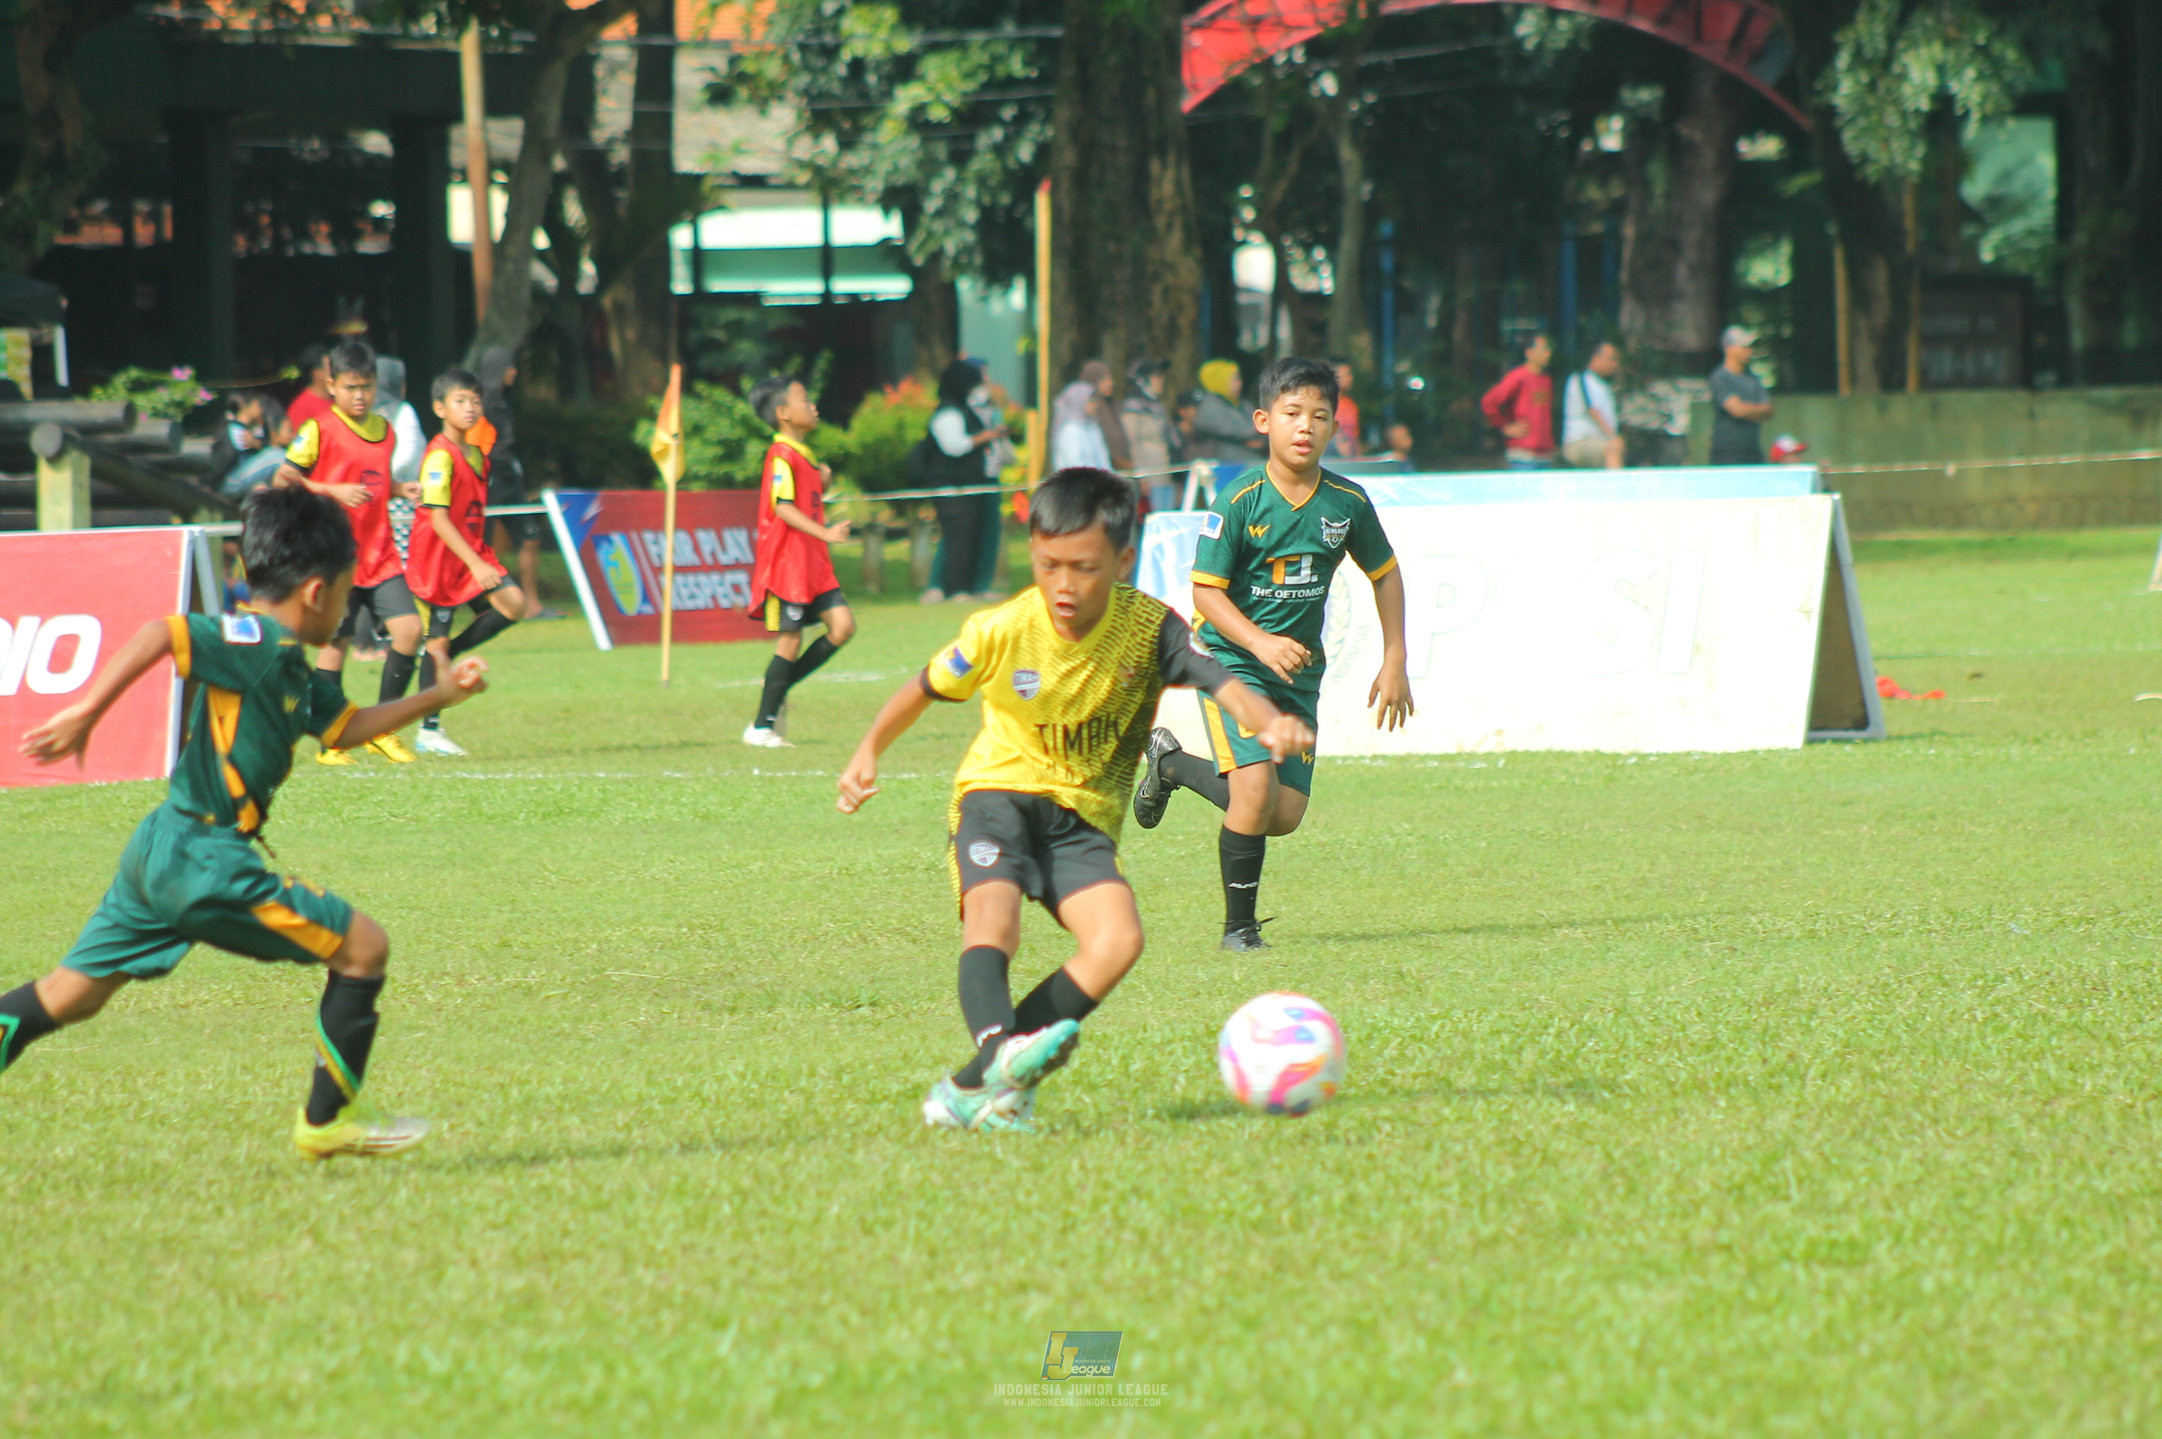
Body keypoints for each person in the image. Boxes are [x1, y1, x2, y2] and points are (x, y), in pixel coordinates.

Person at [5, 485, 490, 1158]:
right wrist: (86, 712)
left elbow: (344, 728)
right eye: (349, 595)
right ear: (318, 591)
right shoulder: (259, 639)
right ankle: (327, 1122)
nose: (351, 613)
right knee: (364, 948)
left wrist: (439, 695)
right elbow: (163, 633)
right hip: (204, 859)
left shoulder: (289, 660)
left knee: (68, 995)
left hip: (160, 848)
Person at [836, 467, 1312, 1132]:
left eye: (1083, 568)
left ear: (1122, 561)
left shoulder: (1151, 629)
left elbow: (1218, 680)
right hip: (996, 796)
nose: (1063, 584)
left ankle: (980, 1080)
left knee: (1118, 939)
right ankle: (999, 1061)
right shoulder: (1002, 627)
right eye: (1047, 564)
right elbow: (922, 686)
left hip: (1082, 819)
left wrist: (1267, 720)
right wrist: (867, 750)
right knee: (993, 923)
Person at [1129, 355, 1414, 952]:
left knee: (1282, 814)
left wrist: (1394, 659)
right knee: (1254, 789)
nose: (1305, 426)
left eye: (1319, 415)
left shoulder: (1347, 503)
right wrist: (1258, 641)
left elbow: (1384, 574)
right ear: (1263, 421)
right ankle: (1239, 930)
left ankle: (1172, 765)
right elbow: (1205, 590)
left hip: (1298, 675)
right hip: (1231, 662)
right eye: (1291, 414)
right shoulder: (1239, 500)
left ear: (1334, 427)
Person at [273, 338, 422, 766]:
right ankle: (332, 740)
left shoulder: (385, 432)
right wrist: (332, 489)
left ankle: (381, 729)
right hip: (335, 555)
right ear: (332, 385)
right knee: (334, 646)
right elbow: (286, 478)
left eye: (367, 387)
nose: (360, 396)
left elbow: (370, 484)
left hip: (380, 553)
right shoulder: (318, 429)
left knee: (409, 632)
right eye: (351, 387)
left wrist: (398, 489)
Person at [400, 368, 526, 758]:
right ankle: (429, 729)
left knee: (514, 604)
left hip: (469, 553)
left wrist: (476, 559)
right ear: (440, 408)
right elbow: (439, 519)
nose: (470, 408)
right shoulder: (439, 456)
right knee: (435, 645)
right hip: (439, 559)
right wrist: (475, 564)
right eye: (460, 401)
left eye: (475, 401)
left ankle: (445, 655)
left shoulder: (475, 455)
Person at [743, 373, 855, 748]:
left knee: (842, 627)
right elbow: (783, 507)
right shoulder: (781, 455)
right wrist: (826, 533)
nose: (813, 406)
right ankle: (761, 727)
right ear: (783, 413)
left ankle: (777, 684)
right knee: (789, 642)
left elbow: (804, 499)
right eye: (804, 400)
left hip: (814, 564)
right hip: (787, 565)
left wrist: (821, 483)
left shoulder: (804, 459)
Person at [476, 346, 552, 619]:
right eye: (509, 366)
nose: (514, 372)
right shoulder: (479, 404)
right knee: (482, 545)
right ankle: (483, 608)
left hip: (510, 477)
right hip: (488, 479)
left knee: (530, 536)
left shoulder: (506, 400)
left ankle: (532, 604)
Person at [923, 359, 1007, 604]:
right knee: (957, 538)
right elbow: (954, 447)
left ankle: (969, 587)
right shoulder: (948, 413)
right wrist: (987, 436)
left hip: (969, 486)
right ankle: (954, 589)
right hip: (951, 486)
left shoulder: (963, 410)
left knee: (971, 535)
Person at [1481, 332, 1556, 469]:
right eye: (1543, 349)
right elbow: (1489, 401)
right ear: (1529, 353)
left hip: (1544, 455)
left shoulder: (1546, 380)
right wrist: (1505, 426)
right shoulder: (1518, 377)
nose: (1547, 353)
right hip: (1523, 455)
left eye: (1548, 350)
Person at [1121, 359, 1182, 513]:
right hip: (1149, 478)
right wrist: (1140, 477)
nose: (1161, 381)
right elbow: (1131, 444)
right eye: (1157, 377)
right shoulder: (1133, 409)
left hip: (1165, 474)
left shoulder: (1159, 407)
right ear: (1142, 381)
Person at [1709, 325, 1774, 465]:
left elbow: (1768, 410)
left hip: (1753, 451)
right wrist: (1755, 411)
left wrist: (1746, 409)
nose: (1749, 351)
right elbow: (1737, 410)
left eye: (1749, 347)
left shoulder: (1753, 378)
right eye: (1744, 346)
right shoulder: (1720, 377)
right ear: (1729, 348)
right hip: (1727, 453)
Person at [1560, 341, 1626, 470]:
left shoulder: (1604, 386)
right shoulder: (1581, 379)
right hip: (1580, 442)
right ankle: (1617, 489)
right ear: (1596, 358)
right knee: (1612, 450)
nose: (1615, 365)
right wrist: (1614, 437)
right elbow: (1593, 411)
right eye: (1611, 359)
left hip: (1598, 443)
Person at [1192, 359, 1265, 470]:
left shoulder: (1241, 403)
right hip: (1224, 466)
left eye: (1238, 379)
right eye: (1233, 380)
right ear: (1219, 380)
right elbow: (1235, 430)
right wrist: (1255, 433)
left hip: (1247, 461)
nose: (1238, 384)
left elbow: (1257, 424)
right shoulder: (1210, 406)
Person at [1049, 362, 1116, 472]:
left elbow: (1103, 458)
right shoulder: (1070, 430)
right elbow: (1074, 464)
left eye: (1094, 402)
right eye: (1090, 402)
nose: (1094, 406)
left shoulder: (1093, 427)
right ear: (1078, 402)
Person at [286, 343, 334, 430]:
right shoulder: (301, 407)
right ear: (317, 373)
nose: (335, 372)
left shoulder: (338, 397)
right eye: (330, 368)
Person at [1329, 358, 1362, 459]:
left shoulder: (1351, 405)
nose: (1350, 378)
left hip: (1350, 458)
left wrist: (1359, 458)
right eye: (1347, 375)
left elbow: (1355, 436)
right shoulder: (1326, 404)